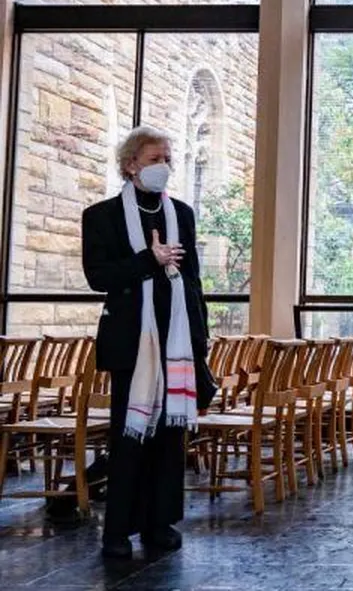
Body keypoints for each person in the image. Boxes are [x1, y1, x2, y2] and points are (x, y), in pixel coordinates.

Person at [81, 126, 216, 559]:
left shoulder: (182, 214)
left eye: (168, 159)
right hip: (132, 343)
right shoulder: (102, 216)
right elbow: (98, 276)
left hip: (176, 340)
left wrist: (200, 336)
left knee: (169, 439)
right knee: (130, 437)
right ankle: (117, 530)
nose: (165, 166)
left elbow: (192, 279)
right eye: (155, 159)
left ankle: (160, 523)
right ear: (130, 165)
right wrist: (148, 260)